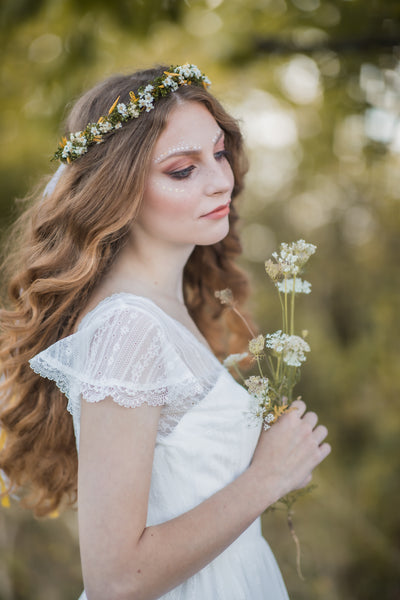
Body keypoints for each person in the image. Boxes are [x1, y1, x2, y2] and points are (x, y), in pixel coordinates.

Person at [0, 64, 331, 600]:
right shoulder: (126, 331)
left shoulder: (166, 310)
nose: (221, 179)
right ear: (118, 191)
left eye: (219, 153)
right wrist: (267, 478)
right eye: (183, 170)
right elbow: (113, 580)